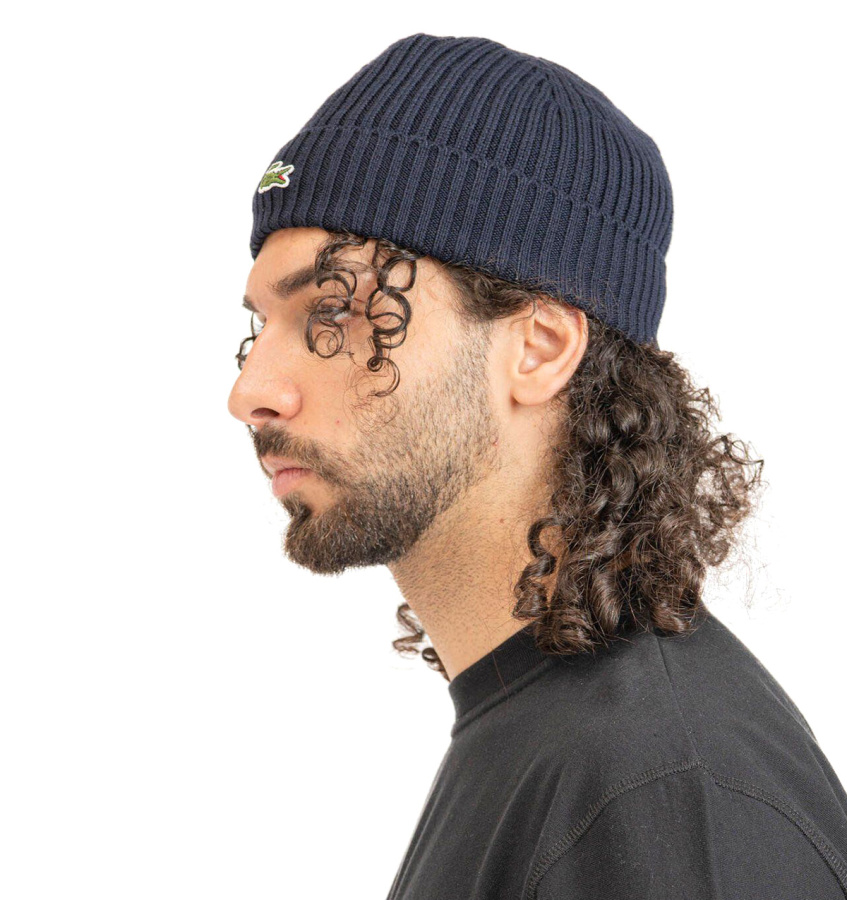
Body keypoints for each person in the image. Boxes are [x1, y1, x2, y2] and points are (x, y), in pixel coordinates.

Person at [227, 32, 847, 899]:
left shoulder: (660, 791)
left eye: (331, 314)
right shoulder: (550, 741)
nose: (250, 393)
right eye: (261, 325)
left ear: (541, 348)